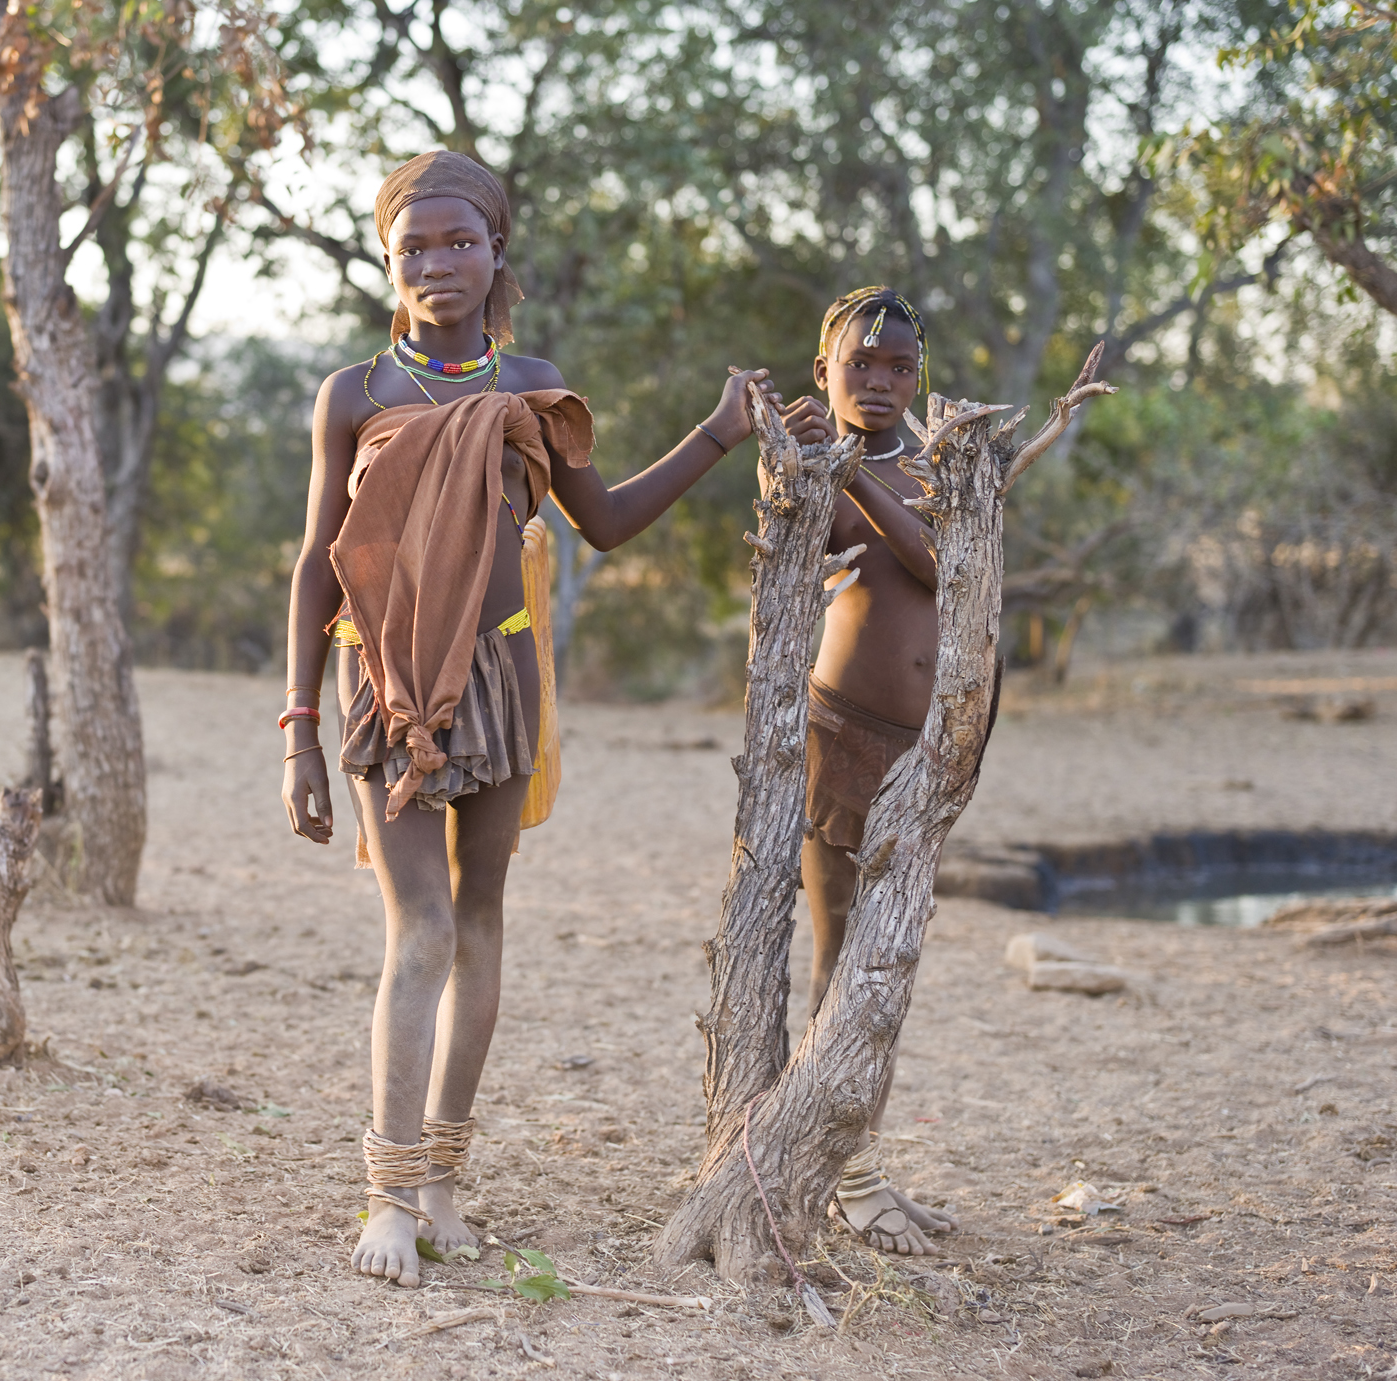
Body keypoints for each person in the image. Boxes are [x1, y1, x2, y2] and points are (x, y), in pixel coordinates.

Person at [280, 149, 776, 1288]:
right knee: (423, 928)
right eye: (414, 247)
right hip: (380, 682)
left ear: (497, 250)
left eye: (459, 242)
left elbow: (602, 525)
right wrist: (297, 727)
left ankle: (446, 1180)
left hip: (502, 678)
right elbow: (316, 562)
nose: (437, 264)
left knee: (483, 914)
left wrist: (717, 432)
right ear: (387, 261)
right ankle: (390, 1196)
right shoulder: (356, 395)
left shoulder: (533, 384)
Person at [774, 286, 962, 1257]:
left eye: (900, 367)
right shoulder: (807, 466)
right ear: (824, 373)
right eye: (862, 364)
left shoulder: (948, 463)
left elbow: (945, 566)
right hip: (841, 740)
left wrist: (860, 476)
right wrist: (820, 475)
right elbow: (780, 577)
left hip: (929, 756)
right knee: (840, 956)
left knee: (889, 963)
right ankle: (846, 1176)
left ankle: (860, 1160)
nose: (881, 380)